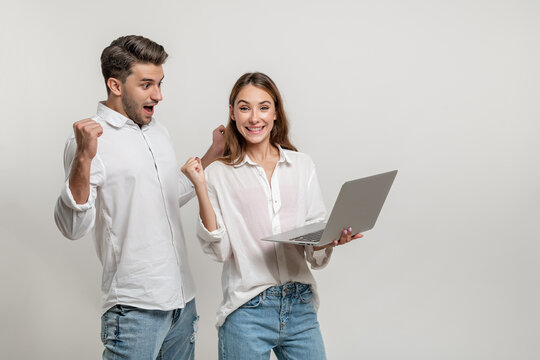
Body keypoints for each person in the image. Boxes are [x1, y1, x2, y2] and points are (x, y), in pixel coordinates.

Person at [54, 35, 225, 360]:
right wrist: (84, 159)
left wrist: (212, 155)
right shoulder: (89, 141)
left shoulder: (158, 131)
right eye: (147, 84)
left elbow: (166, 196)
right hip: (134, 310)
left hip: (182, 304)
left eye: (159, 83)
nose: (158, 96)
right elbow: (72, 227)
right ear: (116, 85)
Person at [181, 72, 362, 360]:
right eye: (244, 108)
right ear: (232, 113)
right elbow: (220, 249)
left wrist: (330, 241)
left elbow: (313, 246)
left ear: (276, 112)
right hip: (247, 309)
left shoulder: (301, 165)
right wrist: (200, 186)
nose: (254, 118)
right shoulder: (218, 173)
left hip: (300, 304)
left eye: (264, 107)